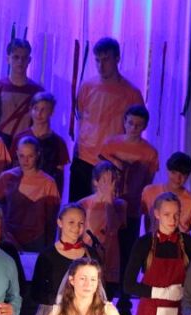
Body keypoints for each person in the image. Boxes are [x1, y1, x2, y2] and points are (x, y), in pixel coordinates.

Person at [70, 37, 144, 202]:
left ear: (117, 58)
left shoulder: (131, 93)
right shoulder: (87, 87)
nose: (100, 66)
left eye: (105, 60)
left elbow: (137, 128)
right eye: (97, 60)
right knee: (78, 211)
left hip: (113, 162)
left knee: (108, 214)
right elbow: (82, 118)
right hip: (85, 159)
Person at [101, 104, 159, 286]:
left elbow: (148, 182)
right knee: (107, 247)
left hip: (132, 207)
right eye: (130, 123)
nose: (133, 128)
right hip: (110, 205)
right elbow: (101, 175)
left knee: (128, 248)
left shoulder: (150, 152)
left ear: (144, 127)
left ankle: (125, 293)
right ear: (124, 122)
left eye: (138, 125)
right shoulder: (111, 144)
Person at [0, 136, 60, 251]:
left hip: (36, 237)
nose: (25, 161)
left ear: (37, 154)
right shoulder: (7, 177)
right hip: (10, 234)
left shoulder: (48, 182)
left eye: (30, 156)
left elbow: (52, 217)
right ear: (17, 154)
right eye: (22, 156)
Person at [79, 161, 127, 299]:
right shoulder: (83, 204)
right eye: (105, 180)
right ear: (96, 182)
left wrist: (108, 202)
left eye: (112, 180)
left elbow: (113, 228)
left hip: (110, 259)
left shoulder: (120, 205)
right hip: (89, 257)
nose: (110, 184)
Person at [0, 38, 44, 147]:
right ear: (8, 59)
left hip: (27, 147)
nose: (20, 62)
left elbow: (42, 124)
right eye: (16, 57)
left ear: (29, 60)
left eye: (24, 58)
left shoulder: (37, 91)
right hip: (0, 145)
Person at [11, 92, 69, 196]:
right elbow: (12, 168)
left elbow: (59, 176)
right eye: (36, 108)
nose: (39, 113)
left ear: (51, 112)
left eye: (44, 109)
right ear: (30, 110)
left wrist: (56, 200)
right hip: (22, 192)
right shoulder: (20, 138)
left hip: (45, 194)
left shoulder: (58, 142)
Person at [141, 152, 191, 235]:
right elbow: (143, 216)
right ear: (167, 170)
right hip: (152, 244)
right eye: (173, 172)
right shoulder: (149, 192)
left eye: (182, 175)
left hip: (180, 245)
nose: (177, 178)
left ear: (188, 176)